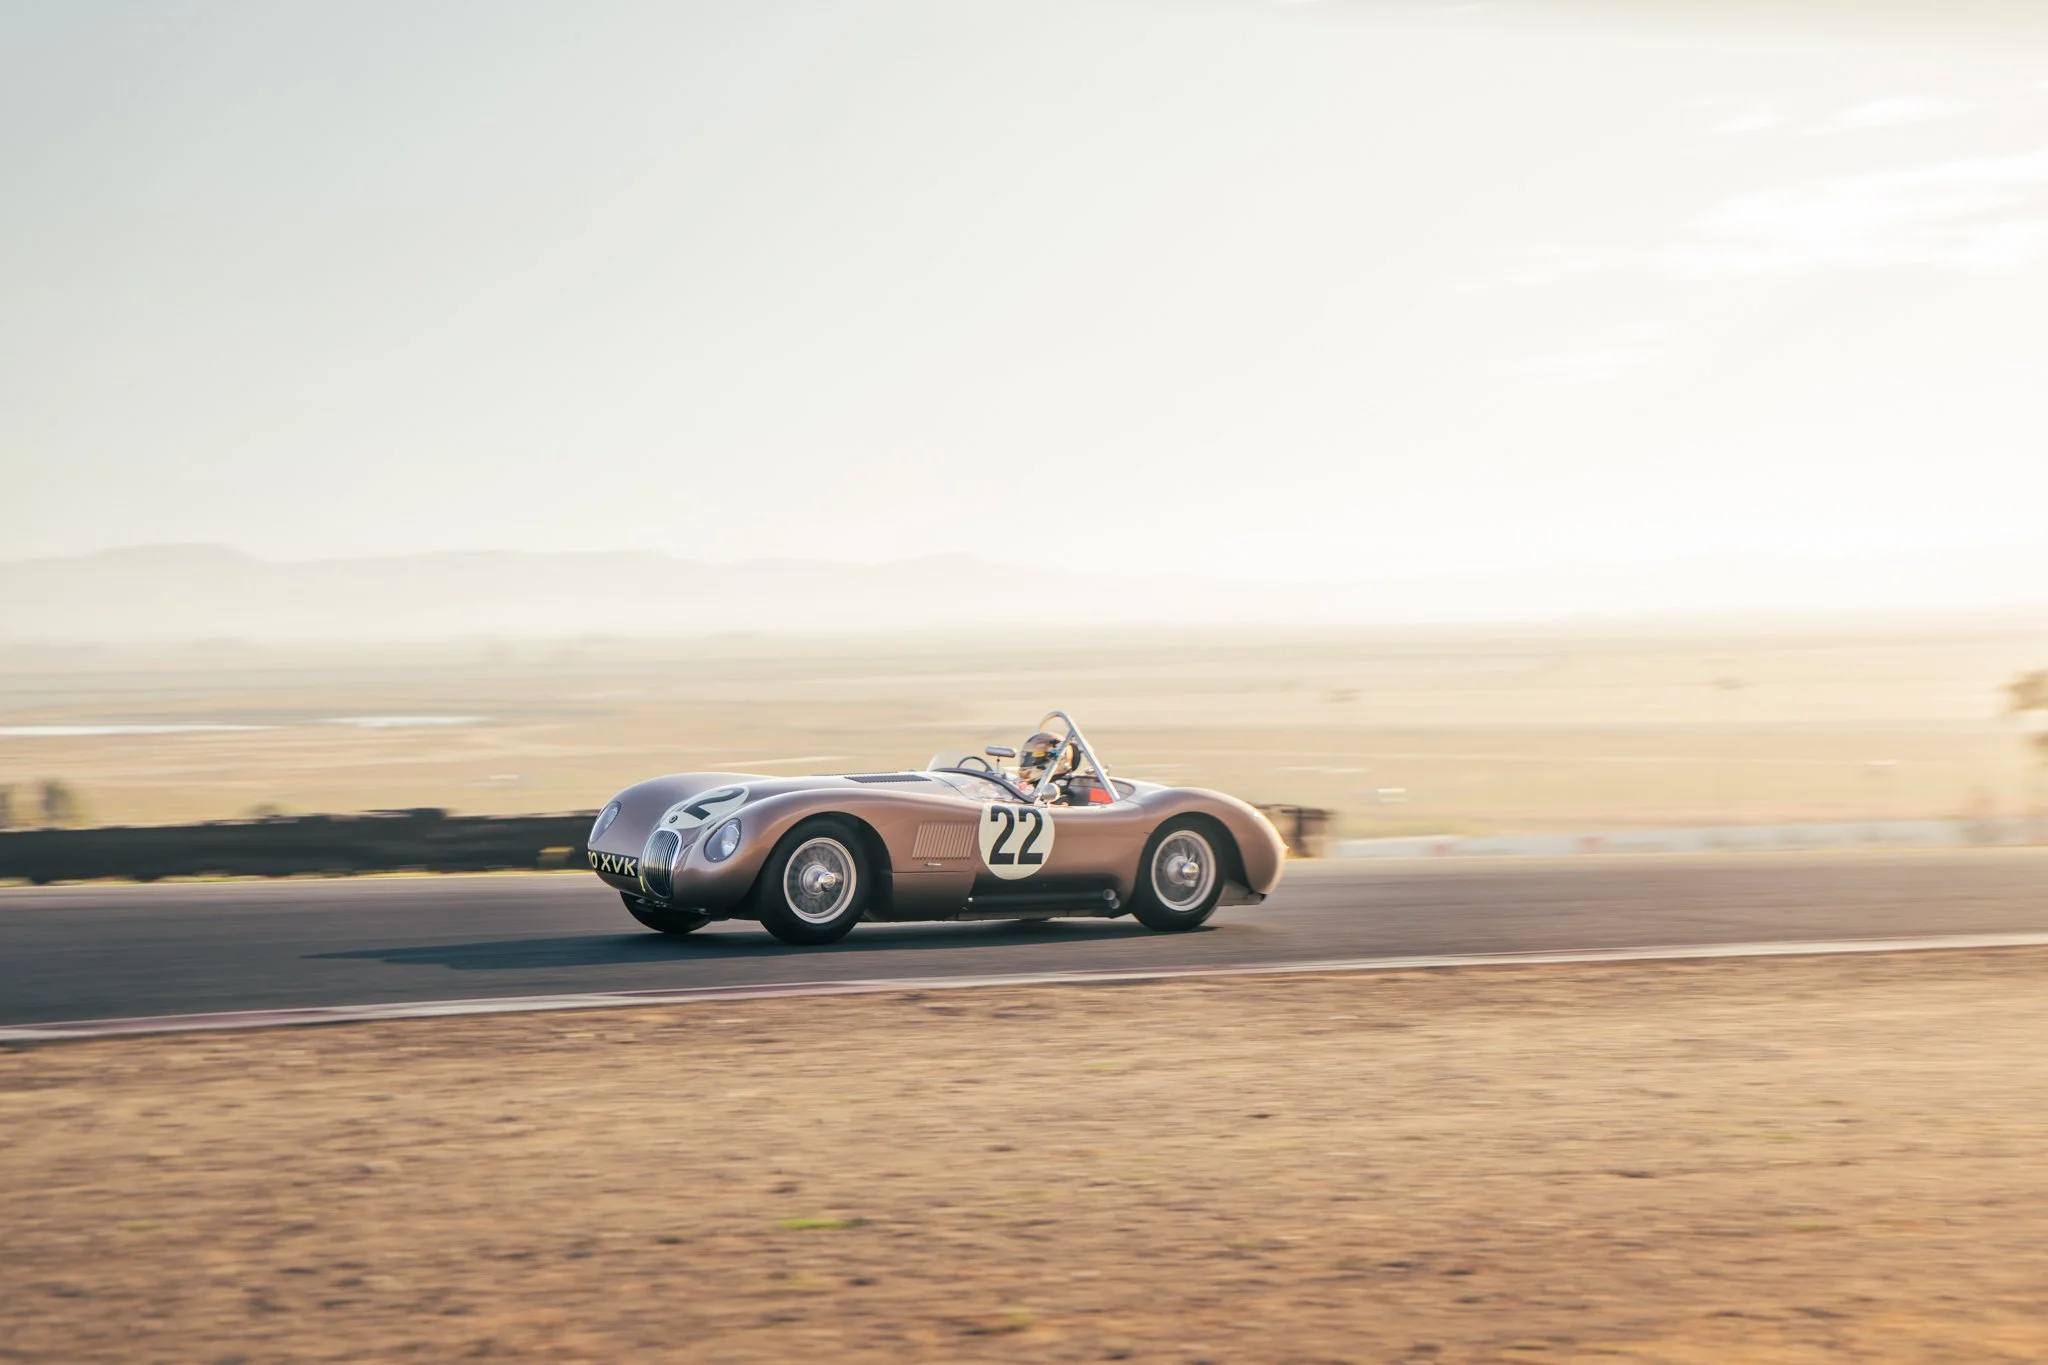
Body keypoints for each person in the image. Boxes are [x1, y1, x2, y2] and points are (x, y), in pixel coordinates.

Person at [1013, 730, 1077, 800]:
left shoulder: (1060, 794)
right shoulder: (1033, 785)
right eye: (1027, 758)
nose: (1028, 762)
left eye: (1036, 759)